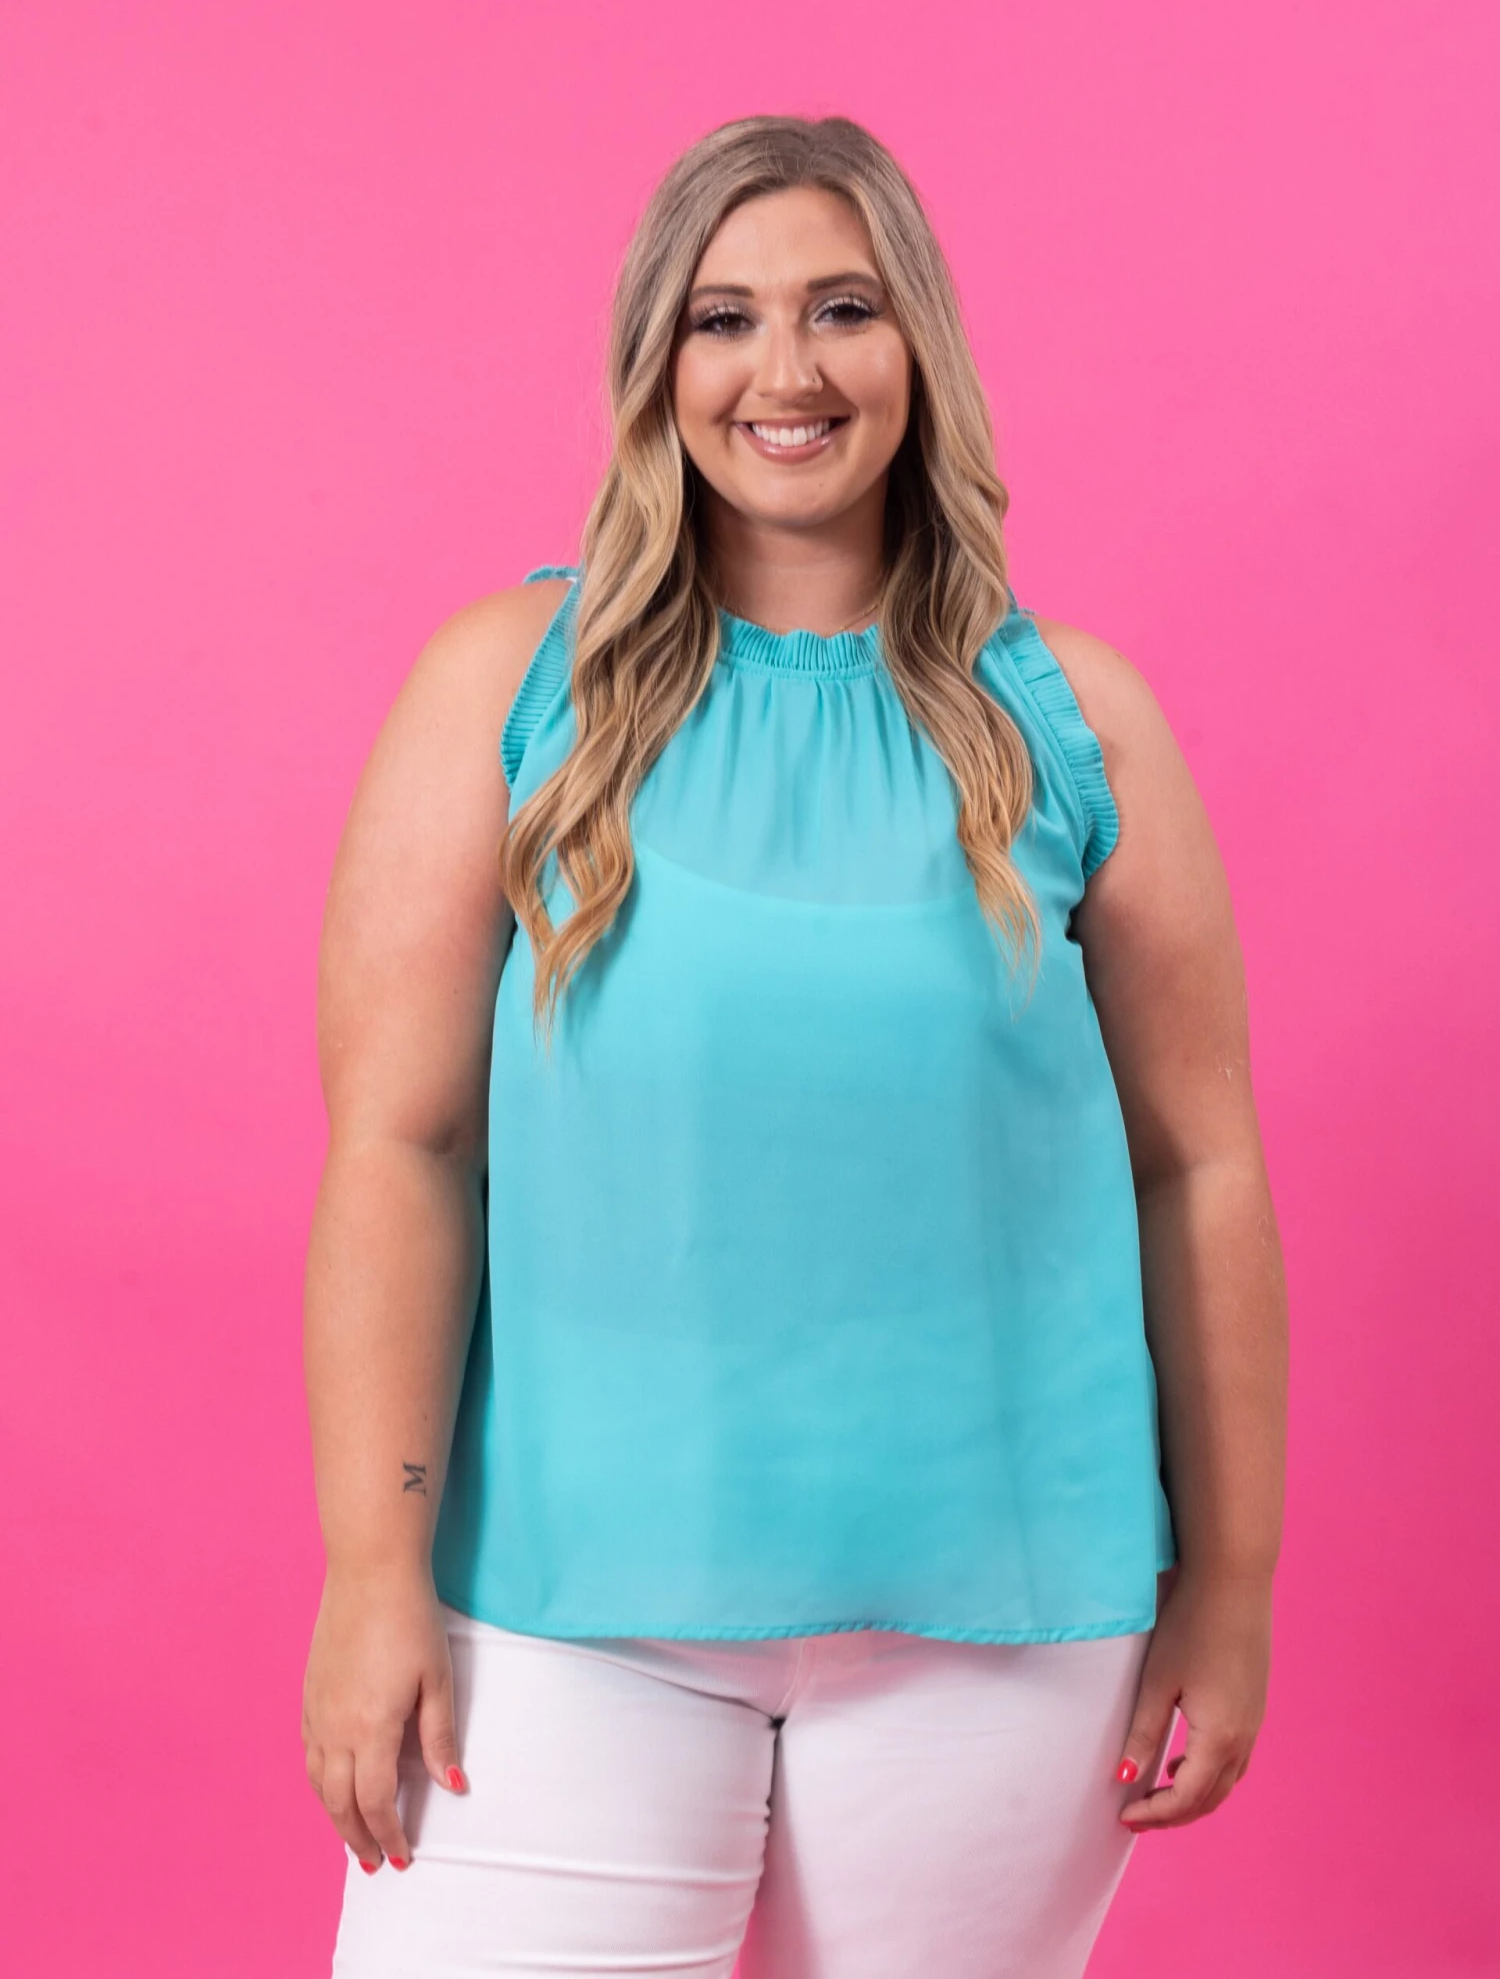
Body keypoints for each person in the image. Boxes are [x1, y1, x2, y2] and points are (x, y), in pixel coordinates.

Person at [301, 114, 1288, 1979]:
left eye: (844, 308)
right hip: (562, 1618)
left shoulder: (1077, 726)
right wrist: (373, 1570)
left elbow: (1200, 1167)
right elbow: (403, 1147)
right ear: (657, 363)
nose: (788, 369)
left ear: (919, 345)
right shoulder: (508, 694)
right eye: (724, 316)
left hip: (1004, 1640)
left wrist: (1229, 1589)